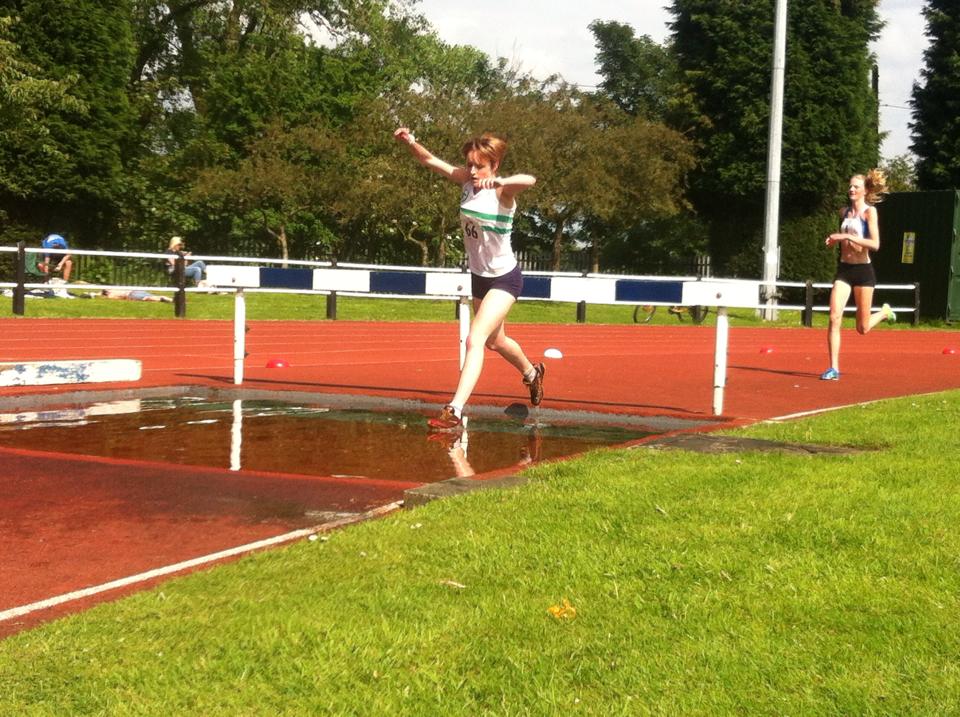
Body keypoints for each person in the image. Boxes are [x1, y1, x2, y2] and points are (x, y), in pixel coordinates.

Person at [394, 126, 543, 429]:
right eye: (470, 165)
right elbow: (430, 161)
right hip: (480, 277)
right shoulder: (465, 181)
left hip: (504, 278)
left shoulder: (502, 191)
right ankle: (532, 373)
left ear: (494, 165)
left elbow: (530, 180)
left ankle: (454, 410)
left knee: (475, 339)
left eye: (480, 166)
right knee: (495, 342)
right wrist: (411, 141)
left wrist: (501, 181)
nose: (473, 171)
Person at [820, 169, 895, 381]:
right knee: (834, 317)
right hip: (844, 270)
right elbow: (843, 239)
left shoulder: (870, 212)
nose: (851, 189)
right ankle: (833, 368)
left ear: (865, 191)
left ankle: (884, 312)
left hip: (863, 272)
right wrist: (834, 241)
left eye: (856, 187)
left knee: (862, 328)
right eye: (850, 186)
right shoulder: (844, 212)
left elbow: (875, 244)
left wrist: (844, 236)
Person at [99, 289, 172, 303]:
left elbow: (123, 298)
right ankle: (171, 299)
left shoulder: (111, 295)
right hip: (135, 291)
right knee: (152, 296)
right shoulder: (113, 289)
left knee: (147, 298)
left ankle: (161, 299)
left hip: (132, 295)